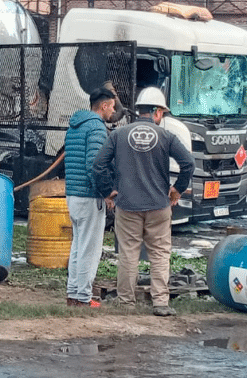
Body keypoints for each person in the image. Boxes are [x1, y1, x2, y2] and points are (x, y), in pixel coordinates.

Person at [92, 86, 195, 317]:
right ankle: (160, 303)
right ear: (157, 112)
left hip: (127, 205)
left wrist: (108, 191)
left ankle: (127, 302)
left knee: (128, 254)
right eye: (163, 114)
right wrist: (177, 190)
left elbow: (99, 165)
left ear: (140, 111)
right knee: (159, 254)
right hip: (159, 205)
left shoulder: (118, 135)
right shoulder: (167, 137)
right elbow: (188, 163)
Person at [63, 82, 116, 308]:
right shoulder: (96, 128)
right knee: (89, 250)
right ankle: (84, 298)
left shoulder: (75, 126)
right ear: (103, 106)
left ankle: (73, 294)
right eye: (112, 107)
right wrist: (106, 192)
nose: (113, 112)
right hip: (89, 195)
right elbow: (95, 165)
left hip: (73, 194)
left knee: (77, 246)